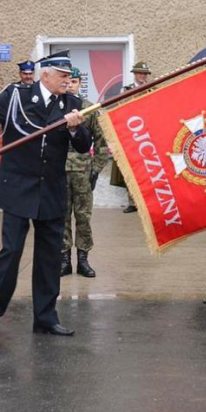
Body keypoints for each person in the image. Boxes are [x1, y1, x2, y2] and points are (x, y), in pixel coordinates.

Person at [0, 52, 90, 336]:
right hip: (17, 187)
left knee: (49, 256)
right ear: (46, 75)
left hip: (52, 190)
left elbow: (82, 146)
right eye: (63, 76)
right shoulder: (16, 96)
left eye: (70, 77)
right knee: (12, 250)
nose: (69, 81)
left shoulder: (72, 104)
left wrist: (76, 128)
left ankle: (46, 317)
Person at [60, 67, 110, 278]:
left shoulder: (89, 108)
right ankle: (64, 259)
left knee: (83, 217)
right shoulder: (57, 107)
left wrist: (96, 169)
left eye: (74, 81)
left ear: (80, 83)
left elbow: (102, 142)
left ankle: (83, 259)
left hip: (82, 172)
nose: (70, 84)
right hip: (59, 172)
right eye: (67, 81)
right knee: (61, 217)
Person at [113, 61, 152, 213]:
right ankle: (133, 202)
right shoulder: (126, 90)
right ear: (135, 74)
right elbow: (121, 110)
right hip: (132, 134)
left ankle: (149, 203)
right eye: (140, 73)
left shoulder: (151, 89)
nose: (143, 76)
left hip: (149, 135)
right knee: (133, 169)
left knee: (150, 169)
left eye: (145, 74)